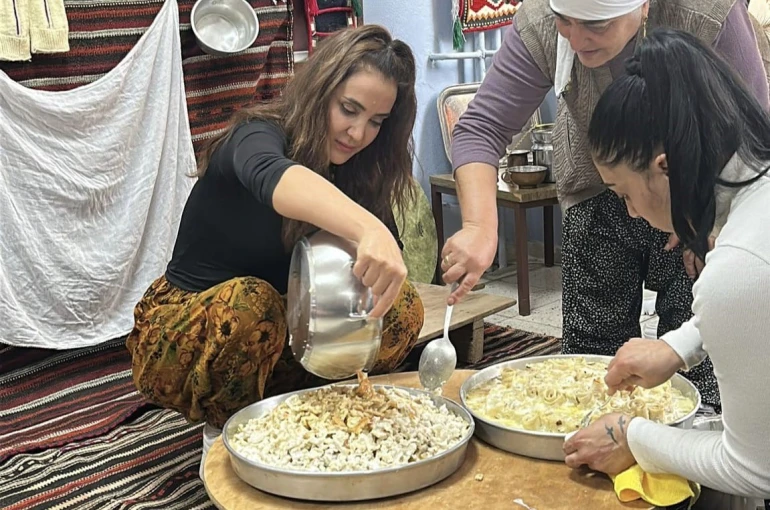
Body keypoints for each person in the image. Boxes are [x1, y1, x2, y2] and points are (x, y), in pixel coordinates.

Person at [124, 25, 424, 475]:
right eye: (348, 109)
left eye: (377, 121)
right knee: (251, 303)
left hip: (291, 328)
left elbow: (376, 271)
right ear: (320, 90)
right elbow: (272, 174)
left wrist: (381, 250)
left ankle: (322, 414)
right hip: (192, 333)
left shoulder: (361, 168)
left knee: (400, 307)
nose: (358, 132)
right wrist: (367, 228)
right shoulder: (256, 135)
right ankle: (224, 438)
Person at [441, 0, 770, 410]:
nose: (577, 39)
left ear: (644, 5)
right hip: (595, 190)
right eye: (565, 21)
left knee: (706, 367)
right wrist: (478, 226)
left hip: (694, 195)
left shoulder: (707, 12)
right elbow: (482, 126)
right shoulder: (540, 21)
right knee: (591, 363)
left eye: (597, 25)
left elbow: (753, 135)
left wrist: (708, 221)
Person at [563, 28, 770, 510]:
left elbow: (754, 467)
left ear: (665, 167)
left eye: (624, 194)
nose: (632, 213)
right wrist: (676, 348)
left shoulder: (737, 265)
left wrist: (632, 437)